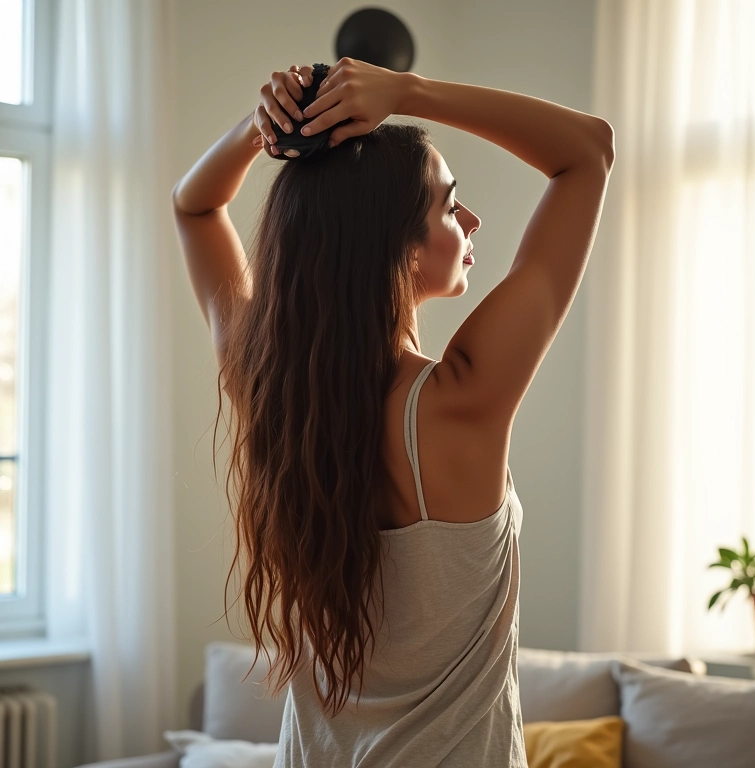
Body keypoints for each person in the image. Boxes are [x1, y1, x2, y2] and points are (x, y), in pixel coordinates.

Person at [172, 58, 614, 767]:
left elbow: (194, 206)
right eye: (448, 204)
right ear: (397, 251)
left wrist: (264, 130)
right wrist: (406, 91)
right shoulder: (460, 399)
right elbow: (587, 152)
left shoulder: (268, 386)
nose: (471, 220)